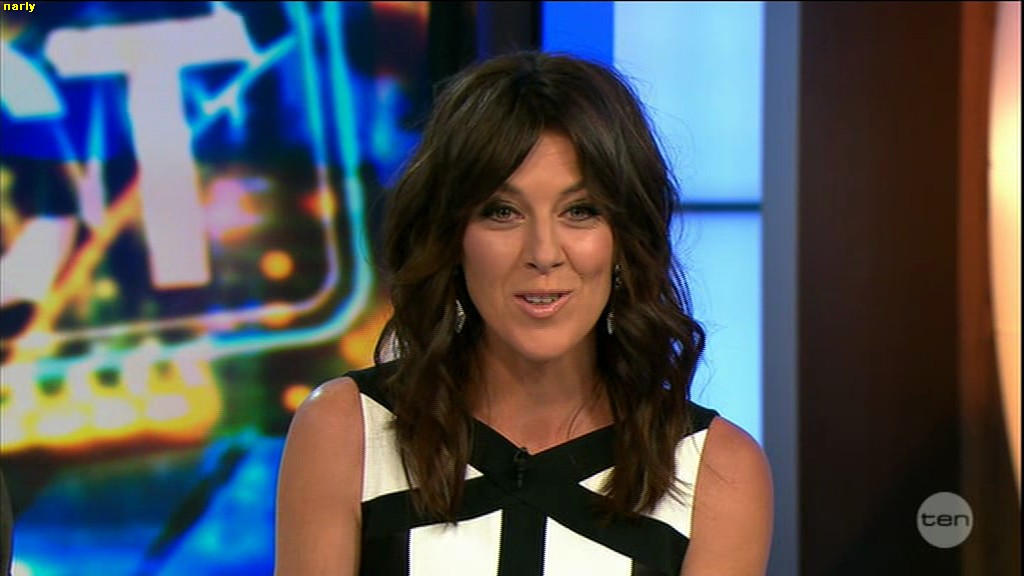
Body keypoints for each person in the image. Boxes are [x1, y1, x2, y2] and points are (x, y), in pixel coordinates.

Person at [275, 51, 772, 576]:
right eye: (502, 212)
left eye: (580, 211)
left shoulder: (716, 469)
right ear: (452, 236)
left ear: (625, 238)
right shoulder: (345, 430)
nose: (543, 253)